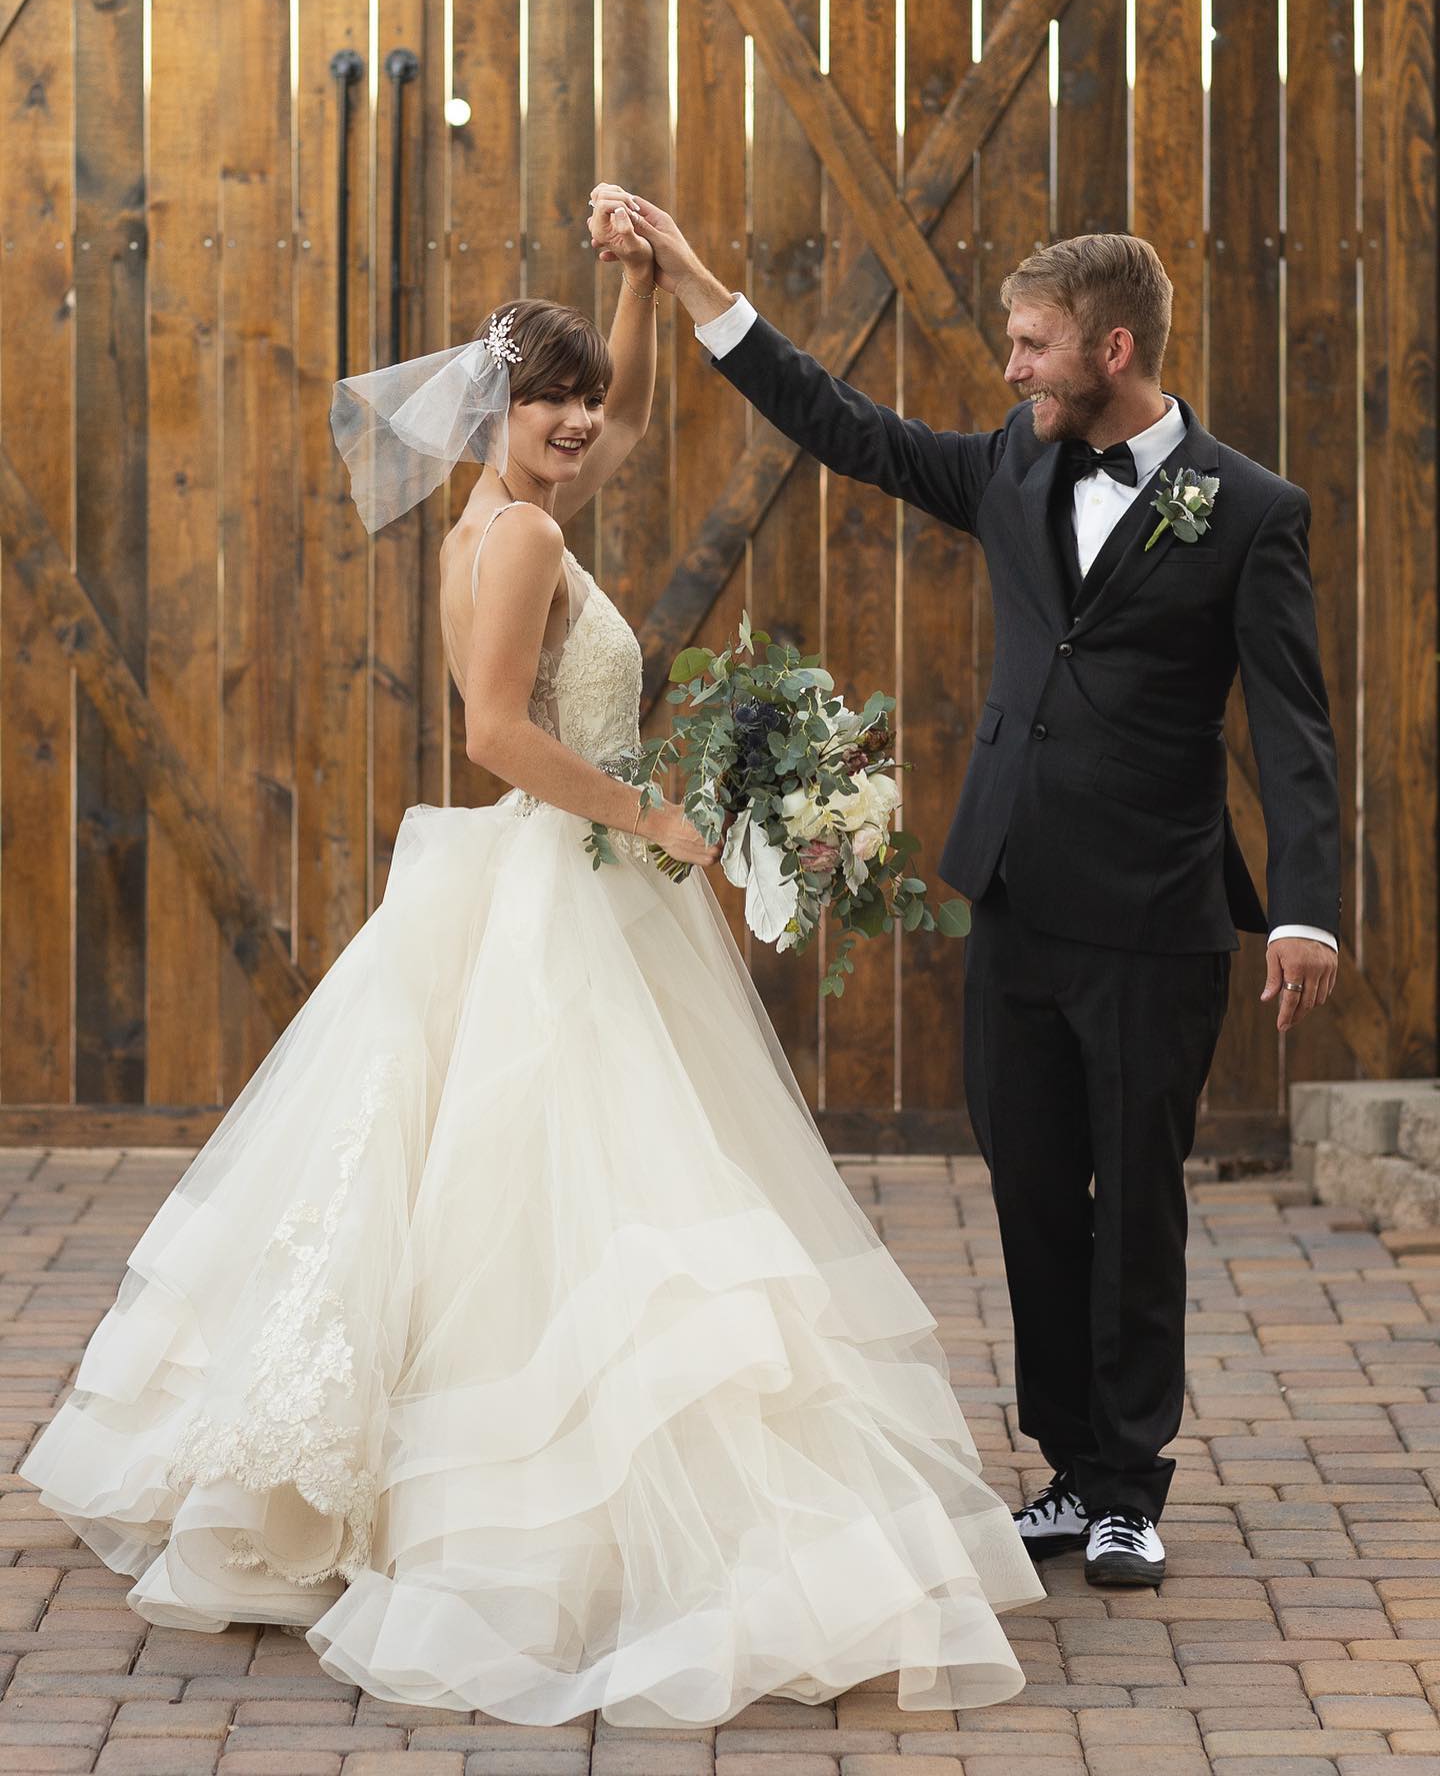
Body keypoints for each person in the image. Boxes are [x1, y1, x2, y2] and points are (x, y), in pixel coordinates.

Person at [16, 195, 1043, 1727]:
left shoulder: (508, 513)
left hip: (571, 873)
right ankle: (545, 1505)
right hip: (568, 869)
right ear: (493, 411)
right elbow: (498, 735)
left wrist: (635, 283)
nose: (576, 421)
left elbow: (617, 421)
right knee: (591, 1186)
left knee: (577, 1181)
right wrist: (657, 819)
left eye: (580, 399)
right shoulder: (525, 537)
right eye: (545, 401)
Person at [598, 183, 1342, 1590]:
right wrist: (697, 279)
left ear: (1112, 350)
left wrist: (1304, 910)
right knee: (1030, 1199)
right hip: (1010, 901)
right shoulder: (1010, 467)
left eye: (1033, 346)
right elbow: (847, 427)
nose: (1011, 369)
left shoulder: (1249, 514)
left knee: (1139, 1201)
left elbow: (1294, 730)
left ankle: (1130, 1485)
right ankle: (1066, 1468)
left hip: (1155, 921)